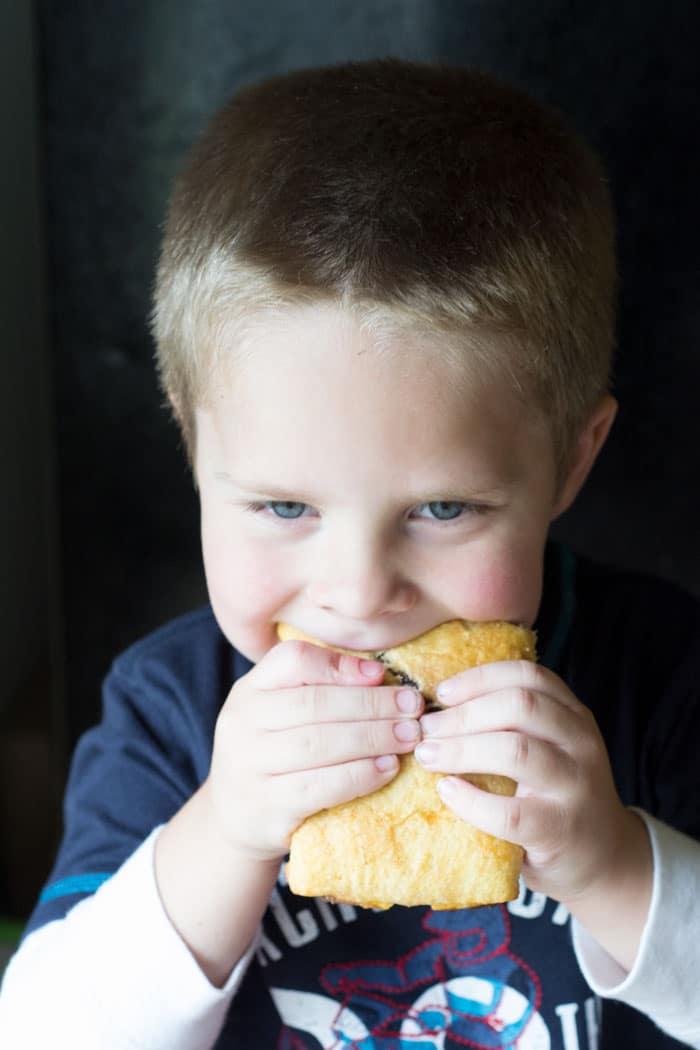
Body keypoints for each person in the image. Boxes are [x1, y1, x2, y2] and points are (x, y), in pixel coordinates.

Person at [1, 58, 699, 1050]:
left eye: (443, 508)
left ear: (568, 462)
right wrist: (223, 831)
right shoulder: (169, 713)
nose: (361, 592)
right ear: (194, 448)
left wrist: (619, 868)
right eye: (284, 505)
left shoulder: (666, 681)